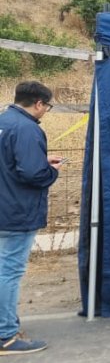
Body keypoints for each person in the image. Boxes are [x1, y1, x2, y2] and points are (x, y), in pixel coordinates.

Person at [0, 81, 64, 355]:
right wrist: (52, 170)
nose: (46, 111)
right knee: (9, 272)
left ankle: (7, 326)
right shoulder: (27, 129)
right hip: (17, 211)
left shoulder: (4, 121)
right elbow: (33, 174)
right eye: (47, 106)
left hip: (4, 205)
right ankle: (5, 336)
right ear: (39, 103)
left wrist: (39, 160)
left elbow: (11, 163)